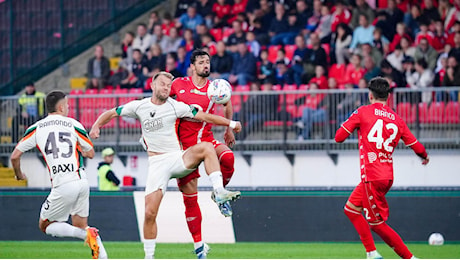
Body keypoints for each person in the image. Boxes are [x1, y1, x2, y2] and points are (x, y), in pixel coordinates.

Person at [89, 71, 242, 259]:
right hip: (156, 164)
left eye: (169, 86)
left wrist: (231, 123)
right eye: (162, 84)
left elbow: (204, 117)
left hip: (176, 158)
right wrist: (96, 125)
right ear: (153, 85)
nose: (166, 88)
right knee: (149, 213)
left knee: (207, 147)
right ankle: (149, 256)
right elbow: (112, 113)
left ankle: (218, 191)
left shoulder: (176, 106)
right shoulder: (139, 106)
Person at [335, 77, 429, 259]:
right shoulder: (397, 119)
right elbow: (417, 146)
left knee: (376, 224)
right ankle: (371, 252)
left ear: (370, 95)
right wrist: (424, 157)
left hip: (372, 175)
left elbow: (339, 137)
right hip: (386, 175)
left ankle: (410, 258)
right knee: (351, 209)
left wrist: (353, 126)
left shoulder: (363, 112)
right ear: (388, 97)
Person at [10, 90, 108, 259]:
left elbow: (14, 156)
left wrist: (19, 174)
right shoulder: (73, 124)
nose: (69, 107)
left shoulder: (36, 128)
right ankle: (99, 249)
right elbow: (90, 153)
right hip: (82, 182)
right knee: (80, 226)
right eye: (68, 104)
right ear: (61, 107)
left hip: (63, 184)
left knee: (45, 225)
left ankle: (88, 235)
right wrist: (78, 149)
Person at [170, 49, 238, 256]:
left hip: (206, 138)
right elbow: (162, 100)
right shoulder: (178, 84)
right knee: (190, 199)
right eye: (201, 62)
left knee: (228, 156)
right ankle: (199, 246)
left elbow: (227, 103)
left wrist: (228, 130)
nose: (206, 65)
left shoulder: (215, 87)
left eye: (207, 62)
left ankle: (221, 193)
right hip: (184, 147)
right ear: (192, 66)